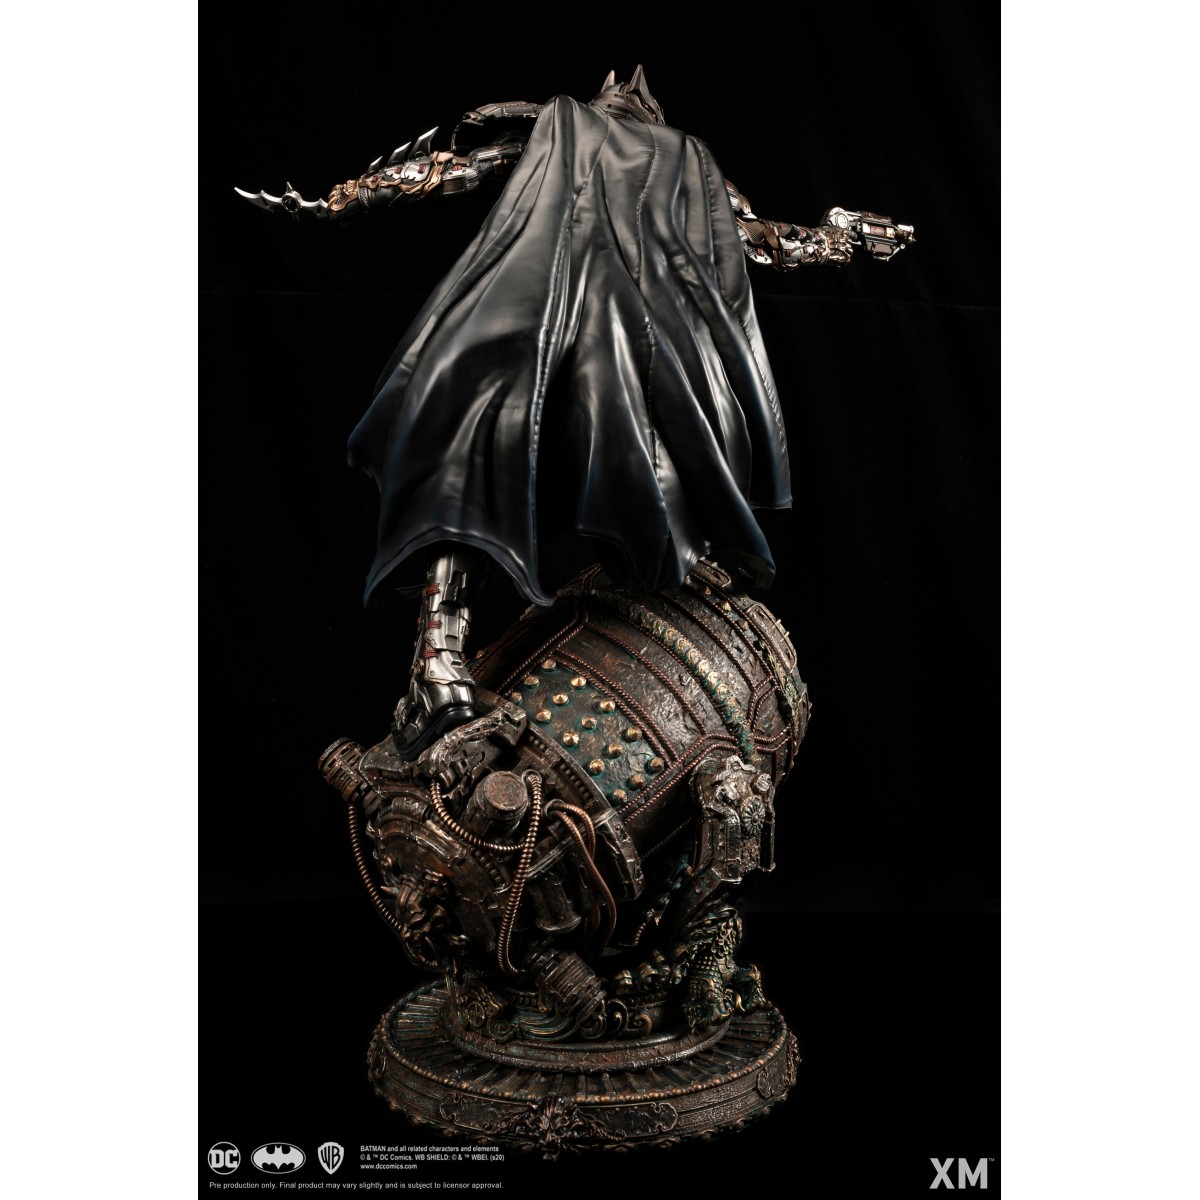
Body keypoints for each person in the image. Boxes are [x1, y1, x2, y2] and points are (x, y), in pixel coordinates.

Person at [237, 67, 912, 757]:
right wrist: (840, 237)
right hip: (599, 355)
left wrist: (336, 202)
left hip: (577, 353)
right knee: (498, 459)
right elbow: (766, 242)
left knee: (480, 465)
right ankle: (444, 664)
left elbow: (453, 171)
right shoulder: (664, 158)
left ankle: (445, 655)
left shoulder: (585, 135)